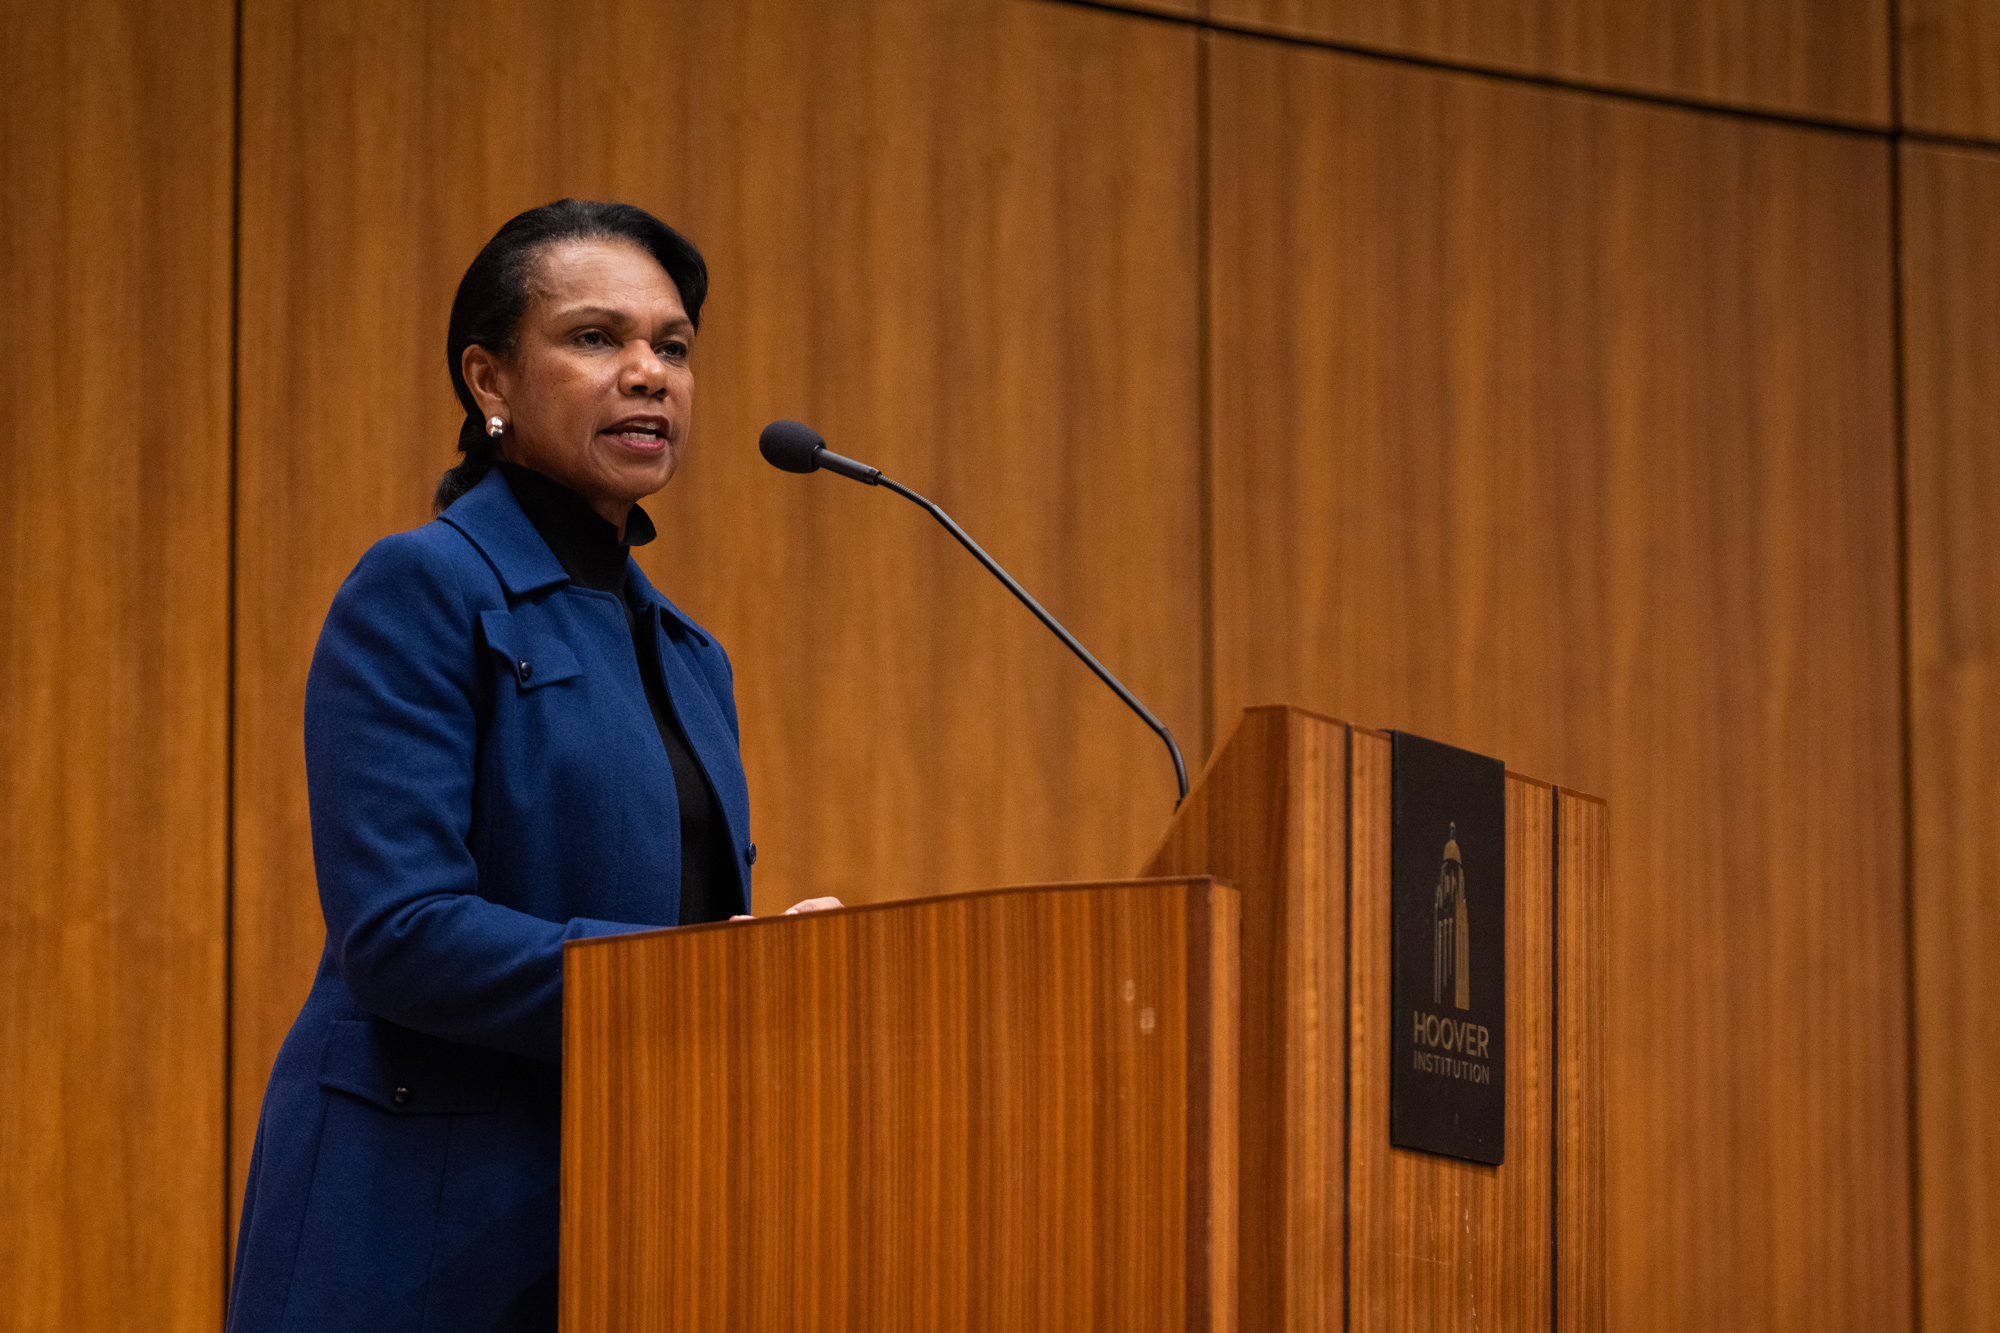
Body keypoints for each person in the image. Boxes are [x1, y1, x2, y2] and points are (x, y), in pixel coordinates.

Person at [226, 199, 837, 1333]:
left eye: (673, 345)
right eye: (596, 338)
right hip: (421, 1225)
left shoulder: (692, 657)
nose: (648, 372)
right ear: (488, 381)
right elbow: (400, 934)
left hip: (637, 1217)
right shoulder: (422, 588)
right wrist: (705, 980)